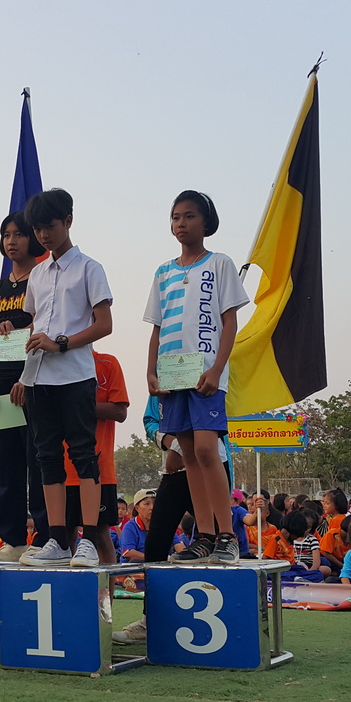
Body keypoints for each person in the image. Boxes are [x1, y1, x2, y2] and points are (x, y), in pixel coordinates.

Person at [144, 191, 249, 566]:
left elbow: (229, 321)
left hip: (205, 373)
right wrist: (151, 371)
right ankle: (203, 536)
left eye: (189, 216)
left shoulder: (220, 263)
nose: (181, 223)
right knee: (187, 454)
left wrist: (217, 368)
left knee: (207, 449)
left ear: (206, 222)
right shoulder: (163, 272)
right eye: (175, 217)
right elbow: (156, 328)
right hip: (173, 375)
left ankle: (226, 536)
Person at [16, 189, 114, 569]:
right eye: (37, 228)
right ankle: (57, 539)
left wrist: (61, 343)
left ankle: (87, 539)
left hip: (75, 375)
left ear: (68, 221)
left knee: (83, 454)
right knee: (46, 457)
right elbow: (34, 326)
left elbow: (104, 325)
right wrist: (23, 372)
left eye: (50, 226)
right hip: (38, 378)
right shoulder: (37, 274)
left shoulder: (90, 268)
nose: (43, 235)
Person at [0, 212, 48, 561]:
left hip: (34, 383)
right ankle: (13, 540)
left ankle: (46, 539)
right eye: (6, 234)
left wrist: (26, 377)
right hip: (1, 390)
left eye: (19, 234)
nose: (11, 241)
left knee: (39, 463)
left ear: (33, 238)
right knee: (4, 465)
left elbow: (43, 330)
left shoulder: (44, 280)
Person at [64, 350, 128, 563]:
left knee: (100, 534)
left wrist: (78, 406)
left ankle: (108, 586)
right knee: (65, 535)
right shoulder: (52, 366)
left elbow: (120, 412)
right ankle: (69, 585)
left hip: (98, 470)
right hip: (60, 471)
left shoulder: (107, 363)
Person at [120, 489, 154, 562]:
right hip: (136, 566)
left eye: (155, 503)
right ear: (137, 508)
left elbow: (177, 543)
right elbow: (128, 552)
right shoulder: (130, 527)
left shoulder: (162, 526)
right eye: (147, 504)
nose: (152, 507)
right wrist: (153, 558)